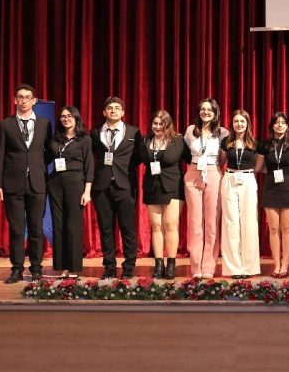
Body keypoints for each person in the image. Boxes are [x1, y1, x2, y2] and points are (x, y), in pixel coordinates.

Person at [0, 84, 51, 283]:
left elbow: (49, 151)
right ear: (15, 100)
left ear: (34, 100)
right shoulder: (5, 124)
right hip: (12, 184)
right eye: (20, 97)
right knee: (17, 230)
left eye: (28, 97)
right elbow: (0, 155)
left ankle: (36, 268)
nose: (24, 100)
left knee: (36, 229)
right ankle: (17, 269)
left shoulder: (44, 124)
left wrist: (38, 167)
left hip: (37, 183)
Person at [90, 96, 143, 279]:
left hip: (125, 185)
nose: (113, 110)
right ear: (104, 112)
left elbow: (140, 156)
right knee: (106, 229)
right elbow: (90, 157)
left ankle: (129, 267)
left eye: (117, 108)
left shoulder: (134, 132)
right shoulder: (95, 133)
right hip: (102, 187)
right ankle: (109, 267)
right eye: (110, 108)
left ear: (123, 112)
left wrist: (124, 167)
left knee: (128, 228)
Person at [46, 106, 93, 278]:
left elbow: (89, 166)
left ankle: (73, 267)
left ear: (76, 118)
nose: (66, 119)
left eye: (69, 116)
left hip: (76, 184)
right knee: (58, 225)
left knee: (72, 225)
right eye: (63, 116)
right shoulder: (56, 139)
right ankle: (62, 266)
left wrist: (87, 191)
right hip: (55, 184)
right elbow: (45, 159)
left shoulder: (84, 139)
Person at [184, 98, 228, 279]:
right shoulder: (190, 130)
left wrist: (213, 168)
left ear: (215, 112)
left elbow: (223, 157)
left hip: (213, 172)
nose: (206, 112)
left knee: (211, 222)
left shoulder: (223, 132)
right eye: (203, 109)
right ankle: (196, 267)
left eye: (209, 109)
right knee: (195, 222)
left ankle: (208, 266)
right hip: (193, 173)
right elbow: (186, 153)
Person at [140, 110, 186, 280]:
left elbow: (192, 159)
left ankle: (171, 263)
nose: (158, 127)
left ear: (168, 125)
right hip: (152, 187)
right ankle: (159, 264)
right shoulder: (145, 140)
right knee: (156, 226)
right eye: (155, 123)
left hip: (173, 186)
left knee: (170, 224)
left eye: (162, 124)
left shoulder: (178, 140)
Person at [220, 109, 261, 279]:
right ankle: (234, 268)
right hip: (230, 179)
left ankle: (249, 267)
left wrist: (247, 175)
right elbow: (221, 161)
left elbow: (258, 165)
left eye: (242, 121)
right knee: (231, 222)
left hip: (247, 180)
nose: (239, 124)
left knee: (249, 222)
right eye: (236, 121)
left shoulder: (254, 143)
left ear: (247, 124)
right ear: (232, 123)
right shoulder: (226, 142)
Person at [261, 111, 289, 278]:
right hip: (270, 187)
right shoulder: (265, 144)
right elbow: (259, 167)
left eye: (283, 122)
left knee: (287, 228)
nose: (280, 125)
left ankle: (285, 265)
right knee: (274, 228)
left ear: (287, 126)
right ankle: (276, 264)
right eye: (277, 122)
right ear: (272, 126)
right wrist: (272, 172)